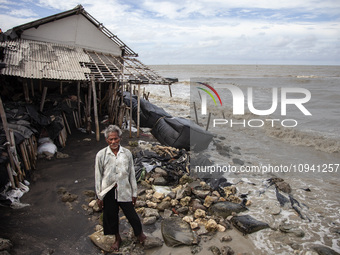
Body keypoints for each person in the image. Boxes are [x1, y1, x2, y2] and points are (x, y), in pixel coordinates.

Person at [95, 125, 146, 252]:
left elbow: (132, 175)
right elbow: (98, 176)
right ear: (106, 140)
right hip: (108, 190)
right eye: (110, 139)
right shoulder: (101, 155)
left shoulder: (127, 153)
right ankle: (117, 238)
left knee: (131, 214)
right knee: (111, 216)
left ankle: (139, 233)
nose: (113, 142)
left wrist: (134, 193)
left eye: (115, 139)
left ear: (120, 138)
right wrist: (99, 196)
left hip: (124, 189)